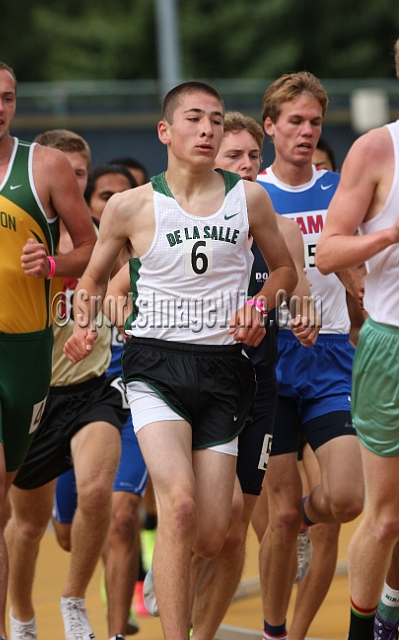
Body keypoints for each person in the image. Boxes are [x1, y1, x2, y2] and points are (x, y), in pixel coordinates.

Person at [63, 81, 298, 640]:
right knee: (181, 505)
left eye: (216, 119)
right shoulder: (130, 205)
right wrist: (82, 323)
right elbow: (93, 278)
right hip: (155, 369)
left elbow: (285, 273)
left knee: (214, 536)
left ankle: (167, 580)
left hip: (225, 370)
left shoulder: (250, 200)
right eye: (195, 118)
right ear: (166, 131)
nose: (208, 129)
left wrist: (259, 305)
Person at [184, 111, 319, 640]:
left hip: (259, 389)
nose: (245, 165)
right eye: (232, 156)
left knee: (238, 524)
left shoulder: (275, 225)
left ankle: (200, 632)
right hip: (195, 386)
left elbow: (297, 294)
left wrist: (301, 318)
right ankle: (174, 589)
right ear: (210, 159)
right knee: (199, 521)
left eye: (252, 156)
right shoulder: (183, 220)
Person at [0, 59, 95, 640]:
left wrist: (51, 263)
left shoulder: (44, 166)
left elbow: (91, 247)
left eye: (7, 98)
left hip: (28, 356)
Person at [4, 129, 127, 640]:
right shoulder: (24, 237)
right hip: (35, 394)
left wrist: (99, 323)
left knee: (99, 488)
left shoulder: (104, 239)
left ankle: (75, 600)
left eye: (81, 175)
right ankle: (21, 615)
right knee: (30, 526)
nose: (73, 184)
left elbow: (124, 291)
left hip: (91, 389)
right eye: (66, 175)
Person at [256, 71, 365, 640]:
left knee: (346, 498)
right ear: (270, 126)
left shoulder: (342, 188)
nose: (305, 131)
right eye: (294, 121)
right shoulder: (249, 195)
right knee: (273, 513)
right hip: (269, 362)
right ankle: (280, 634)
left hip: (330, 360)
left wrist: (360, 286)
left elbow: (362, 265)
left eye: (315, 122)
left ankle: (304, 515)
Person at [315, 37, 399, 640]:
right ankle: (363, 631)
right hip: (392, 344)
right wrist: (389, 234)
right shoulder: (378, 148)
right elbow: (327, 251)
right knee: (387, 516)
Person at [50, 160, 148, 640]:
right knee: (71, 532)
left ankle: (114, 626)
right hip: (76, 396)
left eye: (120, 195)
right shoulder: (83, 255)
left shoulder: (148, 253)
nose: (110, 203)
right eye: (101, 195)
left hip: (132, 400)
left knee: (121, 512)